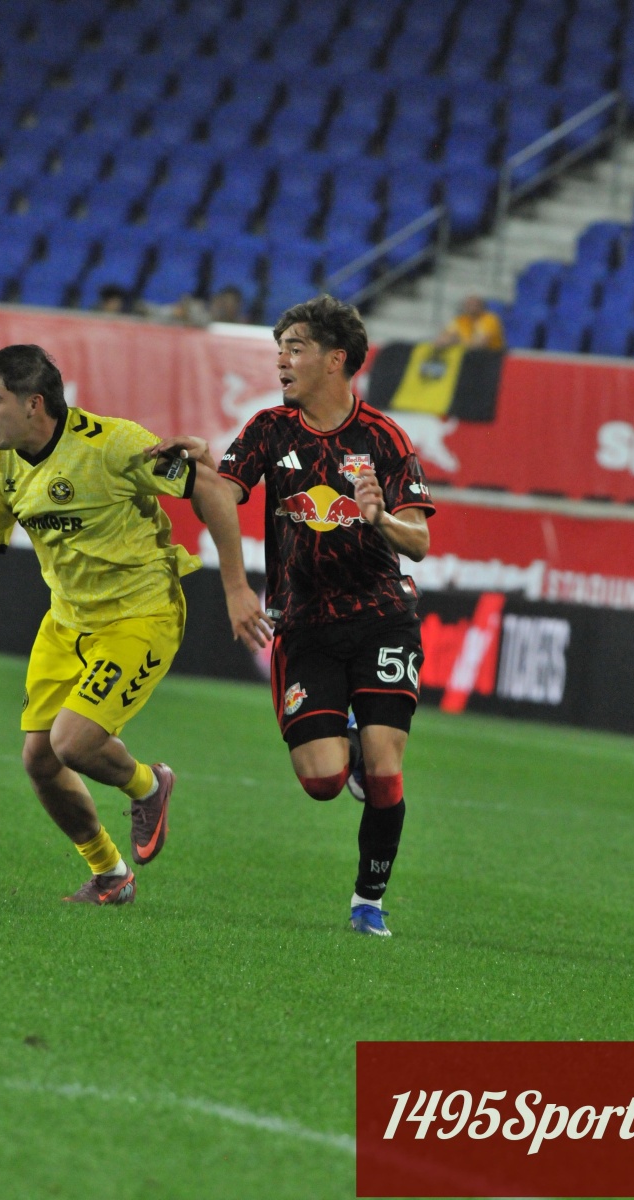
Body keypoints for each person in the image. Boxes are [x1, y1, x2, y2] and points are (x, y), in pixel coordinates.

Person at [0, 344, 270, 906]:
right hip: (67, 619)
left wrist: (236, 588)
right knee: (40, 760)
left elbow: (210, 487)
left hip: (141, 613)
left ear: (34, 404)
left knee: (72, 742)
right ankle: (110, 874)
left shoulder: (113, 444)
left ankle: (149, 784)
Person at [147, 295, 436, 937]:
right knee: (323, 781)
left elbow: (418, 540)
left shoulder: (384, 438)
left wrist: (380, 519)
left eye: (295, 348)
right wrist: (194, 469)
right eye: (279, 348)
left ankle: (368, 903)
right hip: (304, 624)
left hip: (383, 615)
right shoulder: (269, 429)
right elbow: (222, 495)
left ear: (336, 360)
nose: (281, 359)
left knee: (386, 764)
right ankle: (348, 749)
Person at [432, 293, 506, 350]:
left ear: (481, 306)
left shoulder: (490, 319)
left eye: (474, 305)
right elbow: (442, 339)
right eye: (468, 304)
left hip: (490, 355)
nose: (471, 307)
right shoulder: (461, 319)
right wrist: (448, 340)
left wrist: (456, 341)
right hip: (469, 353)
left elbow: (480, 343)